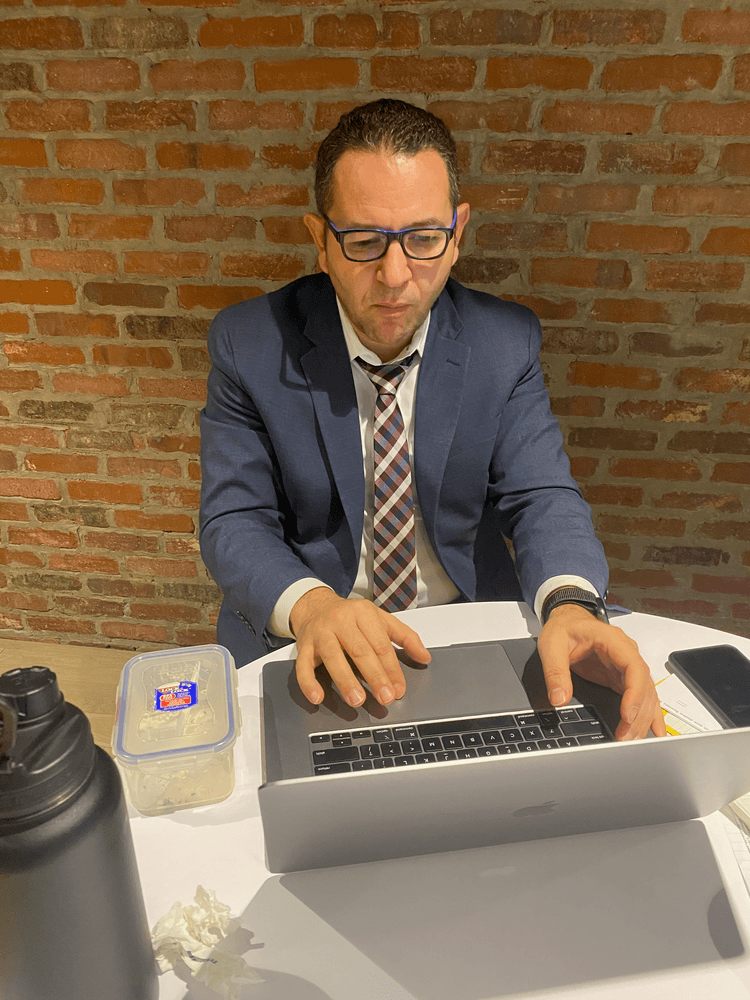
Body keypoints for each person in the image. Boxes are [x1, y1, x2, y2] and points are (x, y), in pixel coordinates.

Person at [200, 99, 665, 742]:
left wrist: (572, 602)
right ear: (320, 241)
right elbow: (234, 520)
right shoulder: (247, 345)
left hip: (467, 632)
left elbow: (542, 496)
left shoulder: (505, 343)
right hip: (316, 638)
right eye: (363, 242)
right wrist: (311, 606)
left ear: (457, 235)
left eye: (422, 240)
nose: (396, 278)